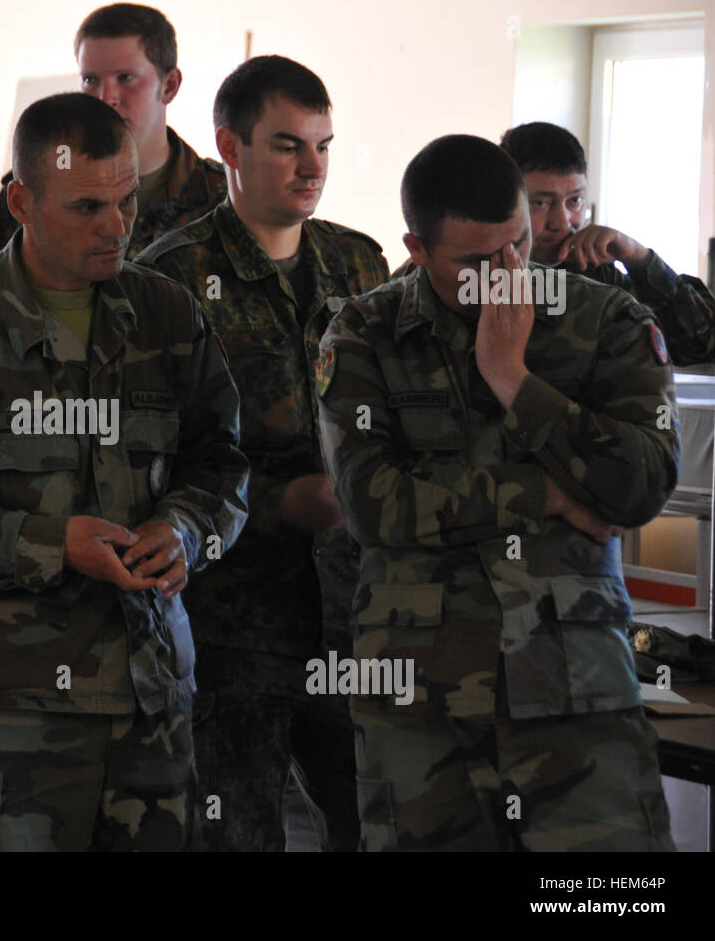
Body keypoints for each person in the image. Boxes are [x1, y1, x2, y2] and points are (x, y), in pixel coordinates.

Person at [0, 92, 249, 852]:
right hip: (9, 723)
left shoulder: (166, 315)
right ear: (23, 201)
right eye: (88, 207)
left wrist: (188, 528)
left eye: (128, 201)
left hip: (150, 703)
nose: (116, 227)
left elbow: (220, 462)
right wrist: (44, 543)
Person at [315, 134, 677, 851]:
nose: (509, 273)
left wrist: (514, 378)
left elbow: (639, 485)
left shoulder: (606, 323)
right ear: (416, 249)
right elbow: (372, 505)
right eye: (477, 263)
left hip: (576, 681)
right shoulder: (363, 335)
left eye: (518, 244)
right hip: (419, 698)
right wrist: (542, 491)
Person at [138, 55, 387, 852]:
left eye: (323, 146)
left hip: (351, 614)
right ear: (229, 148)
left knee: (376, 824)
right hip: (232, 619)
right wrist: (278, 498)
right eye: (288, 146)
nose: (311, 166)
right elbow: (143, 456)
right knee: (234, 831)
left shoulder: (359, 263)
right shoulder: (170, 279)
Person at [0, 2, 224, 269]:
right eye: (91, 80)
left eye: (125, 78)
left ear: (169, 86)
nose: (105, 98)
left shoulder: (219, 196)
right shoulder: (37, 187)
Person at [500, 121, 715, 366]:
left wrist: (640, 259)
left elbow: (701, 347)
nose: (562, 222)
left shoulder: (595, 275)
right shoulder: (478, 278)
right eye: (540, 203)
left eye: (575, 201)